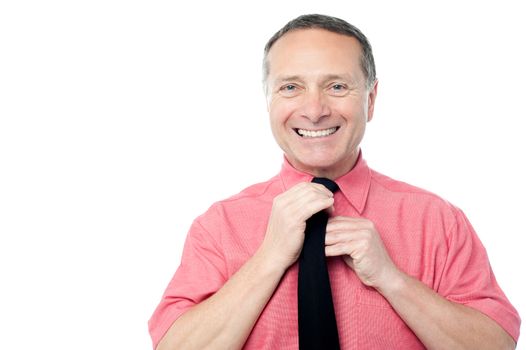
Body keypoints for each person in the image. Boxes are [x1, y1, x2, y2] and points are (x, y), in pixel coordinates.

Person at [149, 14, 520, 349]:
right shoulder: (219, 226)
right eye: (291, 87)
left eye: (337, 87)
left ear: (371, 100)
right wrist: (269, 257)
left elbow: (497, 345)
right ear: (268, 101)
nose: (314, 110)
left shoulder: (437, 220)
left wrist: (392, 279)